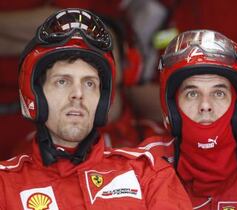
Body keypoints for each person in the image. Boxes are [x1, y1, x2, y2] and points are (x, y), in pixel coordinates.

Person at [0, 8, 191, 209]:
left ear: (103, 98)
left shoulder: (148, 174)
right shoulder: (4, 185)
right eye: (62, 81)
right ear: (36, 94)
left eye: (89, 83)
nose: (78, 93)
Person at [138, 29, 237, 209]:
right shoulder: (144, 167)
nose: (205, 105)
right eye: (192, 94)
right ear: (172, 107)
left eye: (218, 93)